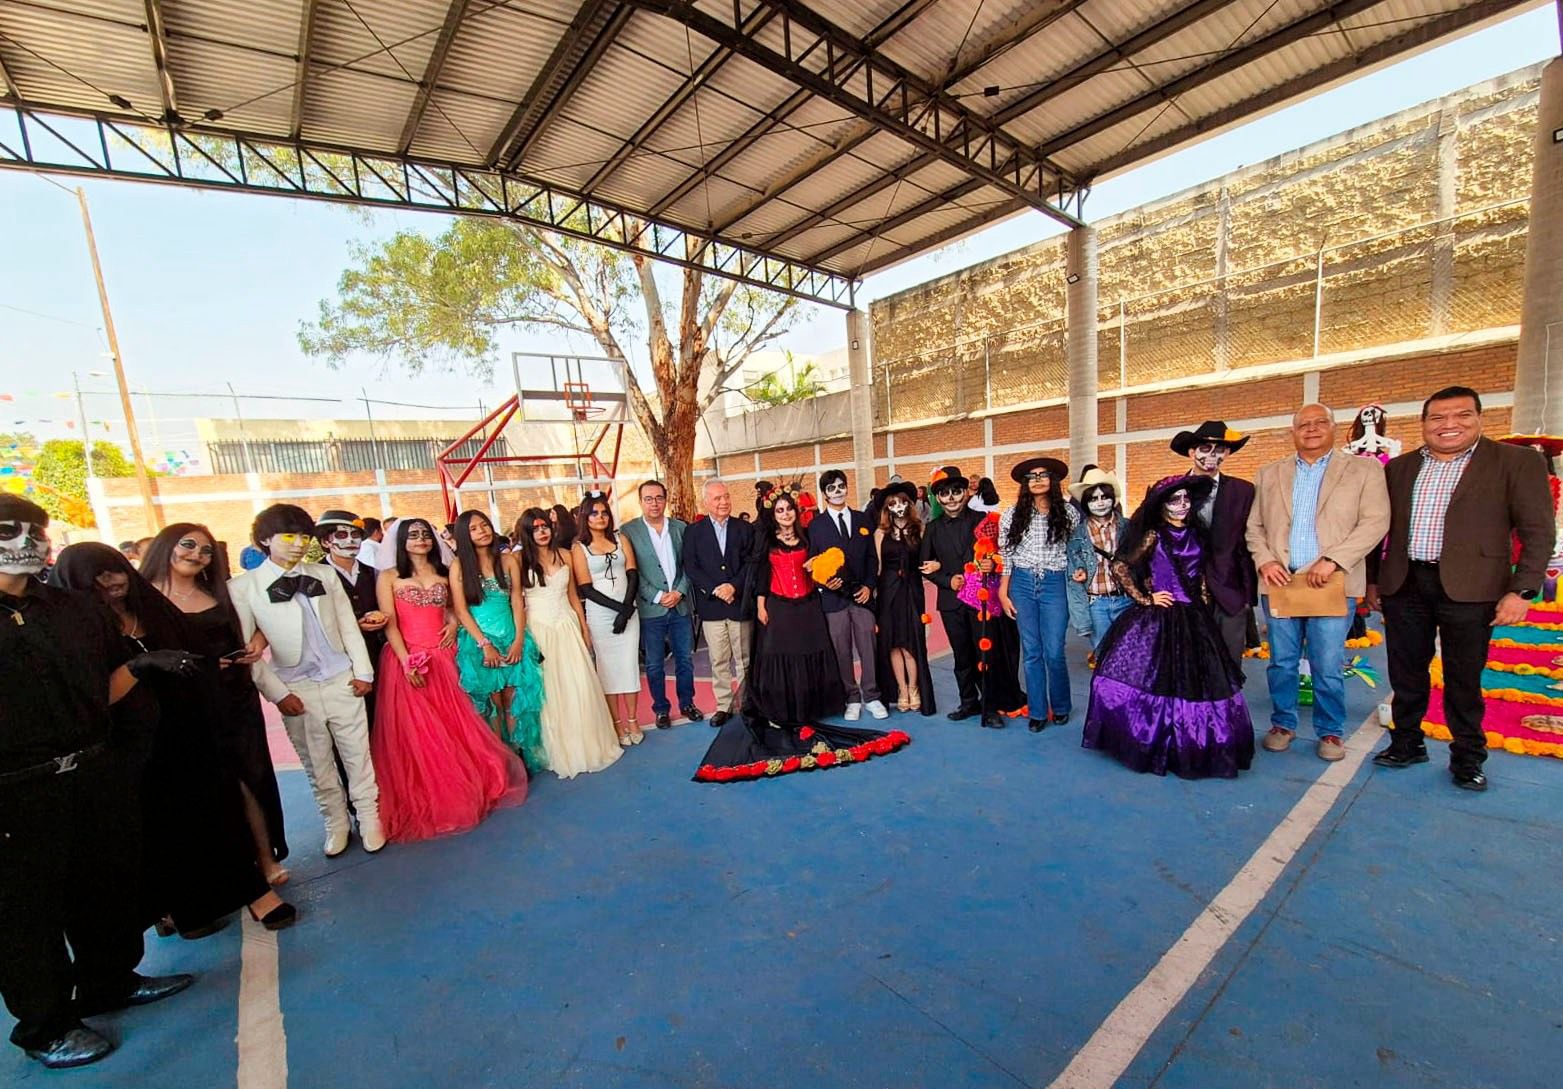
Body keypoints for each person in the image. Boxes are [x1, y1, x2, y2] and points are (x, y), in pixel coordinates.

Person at [0, 496, 198, 1069]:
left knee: (106, 883)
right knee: (25, 913)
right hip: (15, 787)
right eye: (14, 529)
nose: (32, 539)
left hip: (92, 767)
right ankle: (46, 1026)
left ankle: (110, 980)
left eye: (37, 528)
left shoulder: (72, 609)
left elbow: (114, 673)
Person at [51, 543, 298, 937]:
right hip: (131, 744)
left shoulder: (151, 608)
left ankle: (254, 890)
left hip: (190, 728)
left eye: (115, 570)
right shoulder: (72, 628)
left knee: (222, 805)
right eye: (97, 575)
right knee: (160, 826)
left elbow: (197, 655)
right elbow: (93, 697)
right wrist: (139, 666)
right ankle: (182, 905)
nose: (111, 581)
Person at [1368, 386, 1554, 791]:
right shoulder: (1398, 469)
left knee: (1463, 677)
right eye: (1437, 417)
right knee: (1406, 672)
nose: (1449, 424)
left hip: (1474, 588)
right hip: (1406, 583)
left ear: (1479, 418)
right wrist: (1373, 581)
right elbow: (1377, 528)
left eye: (1461, 415)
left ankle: (1468, 757)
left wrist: (1522, 590)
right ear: (1423, 424)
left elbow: (1538, 531)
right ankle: (1406, 743)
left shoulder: (1515, 462)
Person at [693, 492, 910, 783]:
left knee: (810, 653)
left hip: (808, 605)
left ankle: (811, 706)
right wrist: (760, 604)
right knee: (782, 656)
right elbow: (758, 574)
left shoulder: (809, 538)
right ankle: (783, 708)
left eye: (789, 509)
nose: (785, 514)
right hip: (778, 606)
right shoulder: (766, 540)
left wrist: (825, 573)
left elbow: (826, 567)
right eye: (780, 510)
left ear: (796, 512)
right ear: (774, 514)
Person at [140, 524, 291, 888]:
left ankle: (265, 857)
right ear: (166, 547)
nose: (196, 554)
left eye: (206, 550)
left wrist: (255, 640)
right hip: (182, 705)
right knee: (206, 785)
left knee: (251, 777)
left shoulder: (224, 592)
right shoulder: (143, 600)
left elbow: (259, 624)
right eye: (188, 545)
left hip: (235, 699)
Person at [229, 503, 383, 857]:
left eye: (302, 536)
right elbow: (246, 653)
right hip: (295, 687)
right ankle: (336, 823)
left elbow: (347, 625)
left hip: (341, 679)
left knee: (359, 756)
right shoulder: (243, 588)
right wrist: (278, 693)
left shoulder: (324, 575)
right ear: (265, 539)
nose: (298, 543)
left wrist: (362, 672)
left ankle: (370, 818)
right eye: (288, 536)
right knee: (317, 763)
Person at [1082, 475, 1255, 778]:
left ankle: (1191, 744)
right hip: (1160, 616)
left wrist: (1200, 602)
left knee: (1197, 681)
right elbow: (1121, 565)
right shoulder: (1153, 535)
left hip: (1193, 617)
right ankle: (1152, 740)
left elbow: (1200, 575)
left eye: (1186, 499)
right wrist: (1146, 598)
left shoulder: (1196, 533)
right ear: (1161, 505)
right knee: (1153, 678)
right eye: (1175, 500)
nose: (1182, 505)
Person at [1246, 405, 1391, 761]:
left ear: (1333, 428)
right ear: (1292, 432)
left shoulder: (1364, 470)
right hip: (1280, 581)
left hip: (1332, 582)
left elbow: (1375, 522)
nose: (1311, 429)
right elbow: (1255, 527)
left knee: (1327, 664)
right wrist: (1264, 559)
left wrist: (1334, 560)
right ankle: (1282, 724)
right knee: (1282, 661)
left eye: (1319, 422)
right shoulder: (1268, 473)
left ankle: (1330, 732)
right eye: (1303, 424)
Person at [371, 518, 529, 842]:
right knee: (422, 734)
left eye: (425, 534)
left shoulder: (445, 572)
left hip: (446, 657)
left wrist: (454, 622)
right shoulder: (389, 577)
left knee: (461, 726)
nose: (420, 540)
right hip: (410, 660)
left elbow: (459, 606)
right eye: (413, 535)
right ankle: (435, 796)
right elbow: (390, 624)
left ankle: (472, 784)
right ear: (401, 542)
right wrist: (406, 660)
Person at [515, 507, 623, 778]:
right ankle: (557, 749)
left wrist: (584, 627)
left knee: (579, 685)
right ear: (527, 533)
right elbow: (516, 600)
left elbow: (574, 596)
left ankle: (588, 743)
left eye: (545, 526)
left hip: (567, 626)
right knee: (550, 690)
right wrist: (521, 636)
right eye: (535, 528)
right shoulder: (518, 560)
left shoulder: (565, 554)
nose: (541, 532)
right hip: (539, 630)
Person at [449, 510, 545, 767]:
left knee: (514, 698)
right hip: (480, 643)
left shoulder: (508, 560)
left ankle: (518, 752)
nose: (482, 531)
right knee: (493, 703)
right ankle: (501, 759)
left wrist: (517, 641)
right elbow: (460, 610)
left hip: (512, 636)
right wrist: (484, 644)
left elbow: (517, 601)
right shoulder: (459, 567)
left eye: (485, 525)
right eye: (474, 528)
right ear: (463, 536)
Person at [1171, 420, 1257, 674]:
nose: (1211, 455)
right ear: (1191, 452)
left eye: (1219, 449)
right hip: (1182, 590)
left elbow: (1251, 537)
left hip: (1230, 589)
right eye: (1204, 448)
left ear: (1227, 453)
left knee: (1228, 663)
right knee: (1186, 664)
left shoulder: (1244, 491)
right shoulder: (1170, 488)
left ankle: (1226, 711)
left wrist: (1247, 593)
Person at [998, 456, 1076, 731]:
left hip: (1055, 583)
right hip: (1021, 583)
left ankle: (1062, 706)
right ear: (1024, 483)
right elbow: (1006, 555)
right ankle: (1038, 711)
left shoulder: (1068, 513)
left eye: (1043, 475)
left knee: (1054, 650)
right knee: (1031, 651)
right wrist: (1003, 593)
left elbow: (1077, 551)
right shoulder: (1011, 514)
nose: (1038, 479)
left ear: (1052, 480)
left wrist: (1080, 576)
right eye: (1031, 476)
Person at [620, 480, 703, 728]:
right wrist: (657, 596)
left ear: (665, 500)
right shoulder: (628, 531)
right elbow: (632, 571)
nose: (654, 503)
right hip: (651, 609)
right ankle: (661, 709)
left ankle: (687, 703)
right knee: (655, 663)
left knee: (684, 660)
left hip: (679, 605)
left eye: (658, 498)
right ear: (641, 502)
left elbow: (689, 564)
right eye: (648, 498)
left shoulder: (680, 528)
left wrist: (678, 591)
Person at [809, 469, 887, 721]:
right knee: (841, 650)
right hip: (833, 600)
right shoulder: (815, 525)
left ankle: (872, 696)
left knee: (868, 647)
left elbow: (872, 558)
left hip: (862, 596)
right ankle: (851, 697)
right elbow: (812, 561)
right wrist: (823, 584)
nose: (837, 491)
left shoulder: (863, 518)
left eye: (841, 486)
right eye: (831, 488)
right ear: (824, 494)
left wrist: (869, 586)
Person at [573, 491, 643, 745]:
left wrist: (626, 609)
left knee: (629, 665)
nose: (600, 517)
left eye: (604, 512)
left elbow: (633, 573)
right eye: (594, 513)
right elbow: (585, 588)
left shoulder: (620, 538)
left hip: (629, 610)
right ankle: (617, 723)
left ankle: (633, 719)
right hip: (601, 615)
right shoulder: (579, 548)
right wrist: (618, 610)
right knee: (608, 669)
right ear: (585, 517)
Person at [682, 479, 754, 726]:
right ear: (706, 502)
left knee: (744, 659)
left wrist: (733, 586)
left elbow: (750, 563)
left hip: (739, 603)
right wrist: (715, 589)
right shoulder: (693, 532)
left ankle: (747, 703)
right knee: (719, 659)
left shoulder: (744, 528)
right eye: (717, 498)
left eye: (726, 497)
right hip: (711, 607)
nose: (724, 502)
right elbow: (692, 566)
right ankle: (723, 706)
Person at [315, 509, 389, 735]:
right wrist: (352, 625)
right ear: (326, 542)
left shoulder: (374, 574)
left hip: (377, 658)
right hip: (336, 664)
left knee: (380, 721)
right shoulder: (315, 576)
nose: (350, 541)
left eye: (355, 535)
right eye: (341, 535)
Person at [920, 466, 986, 720]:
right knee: (962, 655)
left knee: (984, 653)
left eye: (956, 492)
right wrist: (947, 580)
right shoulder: (933, 528)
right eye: (945, 494)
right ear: (938, 498)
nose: (951, 498)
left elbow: (991, 555)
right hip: (950, 602)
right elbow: (926, 567)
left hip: (978, 598)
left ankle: (989, 703)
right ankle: (968, 701)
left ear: (965, 492)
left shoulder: (980, 521)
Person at [873, 480, 936, 715]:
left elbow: (927, 560)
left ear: (908, 504)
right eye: (892, 503)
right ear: (886, 508)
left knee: (911, 643)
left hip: (912, 590)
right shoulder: (880, 533)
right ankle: (901, 689)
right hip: (888, 592)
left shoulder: (920, 529)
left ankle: (914, 688)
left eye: (901, 502)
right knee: (893, 644)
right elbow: (877, 567)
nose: (897, 506)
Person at [1067, 467, 1130, 653]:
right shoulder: (1077, 534)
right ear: (1086, 503)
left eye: (1104, 497)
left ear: (1112, 499)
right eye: (1093, 499)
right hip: (1097, 605)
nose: (1100, 503)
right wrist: (1081, 620)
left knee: (1129, 655)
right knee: (1104, 656)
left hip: (1126, 600)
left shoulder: (1128, 527)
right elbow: (1073, 579)